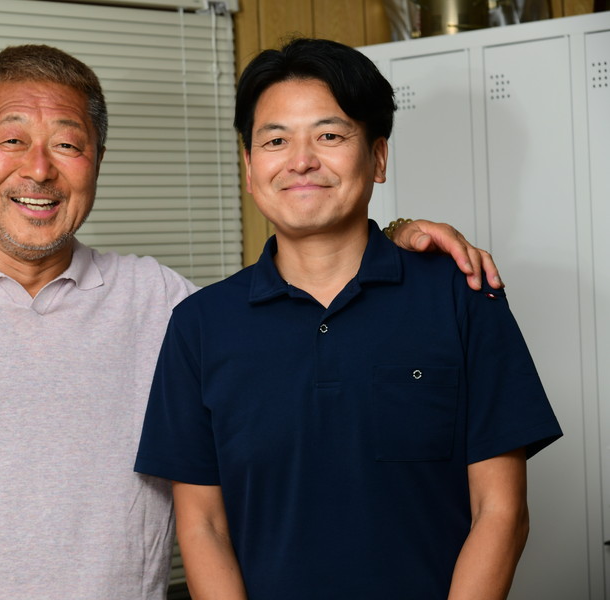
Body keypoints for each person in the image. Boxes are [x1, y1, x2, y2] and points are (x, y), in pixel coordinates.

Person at [0, 43, 500, 600]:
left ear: (96, 161)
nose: (39, 168)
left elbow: (301, 310)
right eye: (12, 139)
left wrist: (397, 235)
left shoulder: (162, 301)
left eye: (68, 145)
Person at [134, 38, 562, 600]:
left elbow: (501, 511)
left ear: (378, 158)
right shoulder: (198, 326)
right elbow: (203, 527)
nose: (300, 160)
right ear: (249, 167)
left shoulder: (462, 296)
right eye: (275, 140)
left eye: (329, 136)